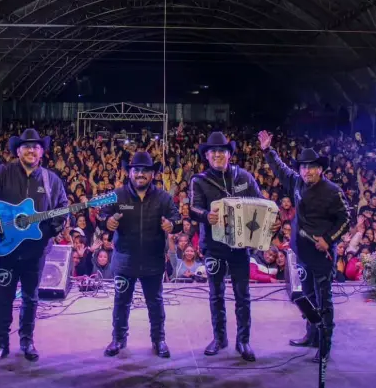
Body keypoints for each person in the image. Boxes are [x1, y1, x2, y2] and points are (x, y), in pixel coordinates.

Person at [258, 131, 350, 363]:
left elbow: (346, 219)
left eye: (311, 167)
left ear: (320, 169)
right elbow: (280, 170)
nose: (306, 171)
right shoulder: (297, 182)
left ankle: (325, 345)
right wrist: (268, 150)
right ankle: (311, 335)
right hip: (302, 253)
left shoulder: (332, 191)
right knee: (307, 297)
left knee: (324, 300)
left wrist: (328, 239)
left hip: (322, 255)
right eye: (303, 167)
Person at [0, 128, 69, 365]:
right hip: (7, 248)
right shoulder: (3, 172)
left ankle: (27, 340)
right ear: (18, 151)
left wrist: (54, 226)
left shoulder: (51, 180)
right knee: (4, 297)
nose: (31, 150)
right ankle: (0, 343)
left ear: (42, 151)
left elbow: (62, 207)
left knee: (31, 297)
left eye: (36, 146)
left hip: (35, 249)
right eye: (26, 146)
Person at [189, 132, 262, 361]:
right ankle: (219, 338)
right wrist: (205, 215)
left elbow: (259, 202)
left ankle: (243, 340)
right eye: (214, 152)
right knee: (216, 294)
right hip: (214, 246)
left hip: (240, 246)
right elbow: (193, 208)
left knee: (243, 294)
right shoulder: (199, 180)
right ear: (207, 156)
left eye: (222, 151)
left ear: (229, 154)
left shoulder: (244, 177)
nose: (218, 155)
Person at [101, 151, 180, 358]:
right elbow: (102, 215)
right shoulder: (118, 195)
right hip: (125, 260)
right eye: (137, 170)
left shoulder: (163, 198)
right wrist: (107, 222)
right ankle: (118, 339)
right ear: (130, 173)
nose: (140, 174)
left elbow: (177, 219)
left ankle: (159, 340)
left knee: (155, 302)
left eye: (145, 171)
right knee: (121, 302)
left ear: (152, 174)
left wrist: (171, 224)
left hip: (153, 260)